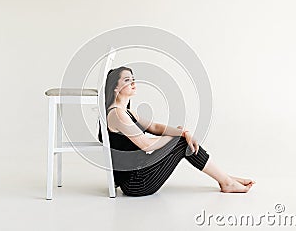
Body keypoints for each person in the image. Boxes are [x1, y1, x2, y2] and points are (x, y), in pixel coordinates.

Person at [98, 66, 255, 197]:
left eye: (133, 79)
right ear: (115, 88)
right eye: (127, 80)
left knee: (181, 139)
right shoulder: (117, 114)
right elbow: (146, 144)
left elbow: (154, 127)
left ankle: (225, 178)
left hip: (140, 172)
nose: (133, 82)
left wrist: (183, 132)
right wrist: (178, 136)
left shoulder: (126, 112)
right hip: (136, 183)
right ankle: (226, 181)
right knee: (181, 143)